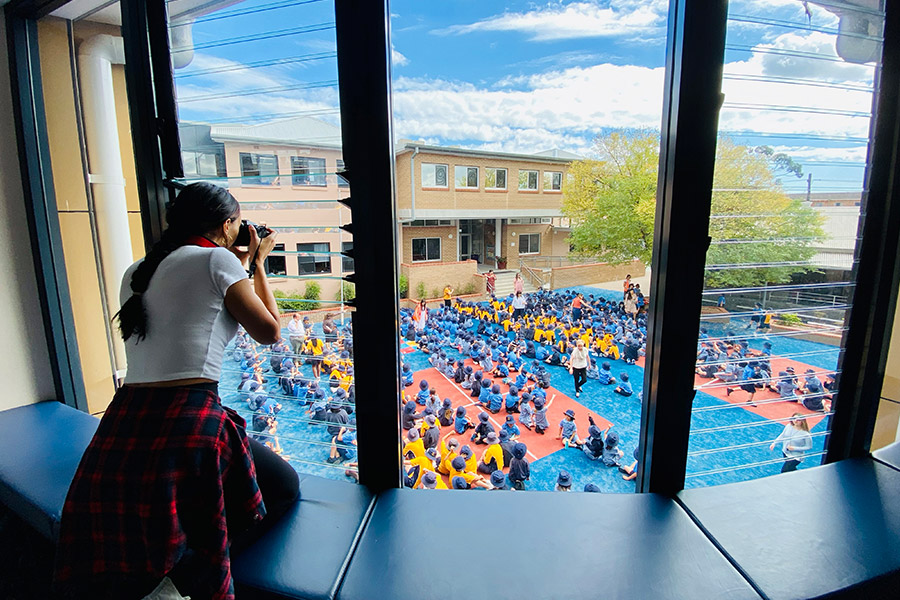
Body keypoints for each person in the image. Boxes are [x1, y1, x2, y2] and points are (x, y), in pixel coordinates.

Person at [54, 183, 299, 600]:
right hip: (188, 419)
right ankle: (193, 578)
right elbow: (270, 331)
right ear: (226, 225)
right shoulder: (220, 261)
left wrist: (237, 261)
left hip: (125, 419)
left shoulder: (137, 270)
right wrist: (257, 263)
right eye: (237, 224)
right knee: (282, 487)